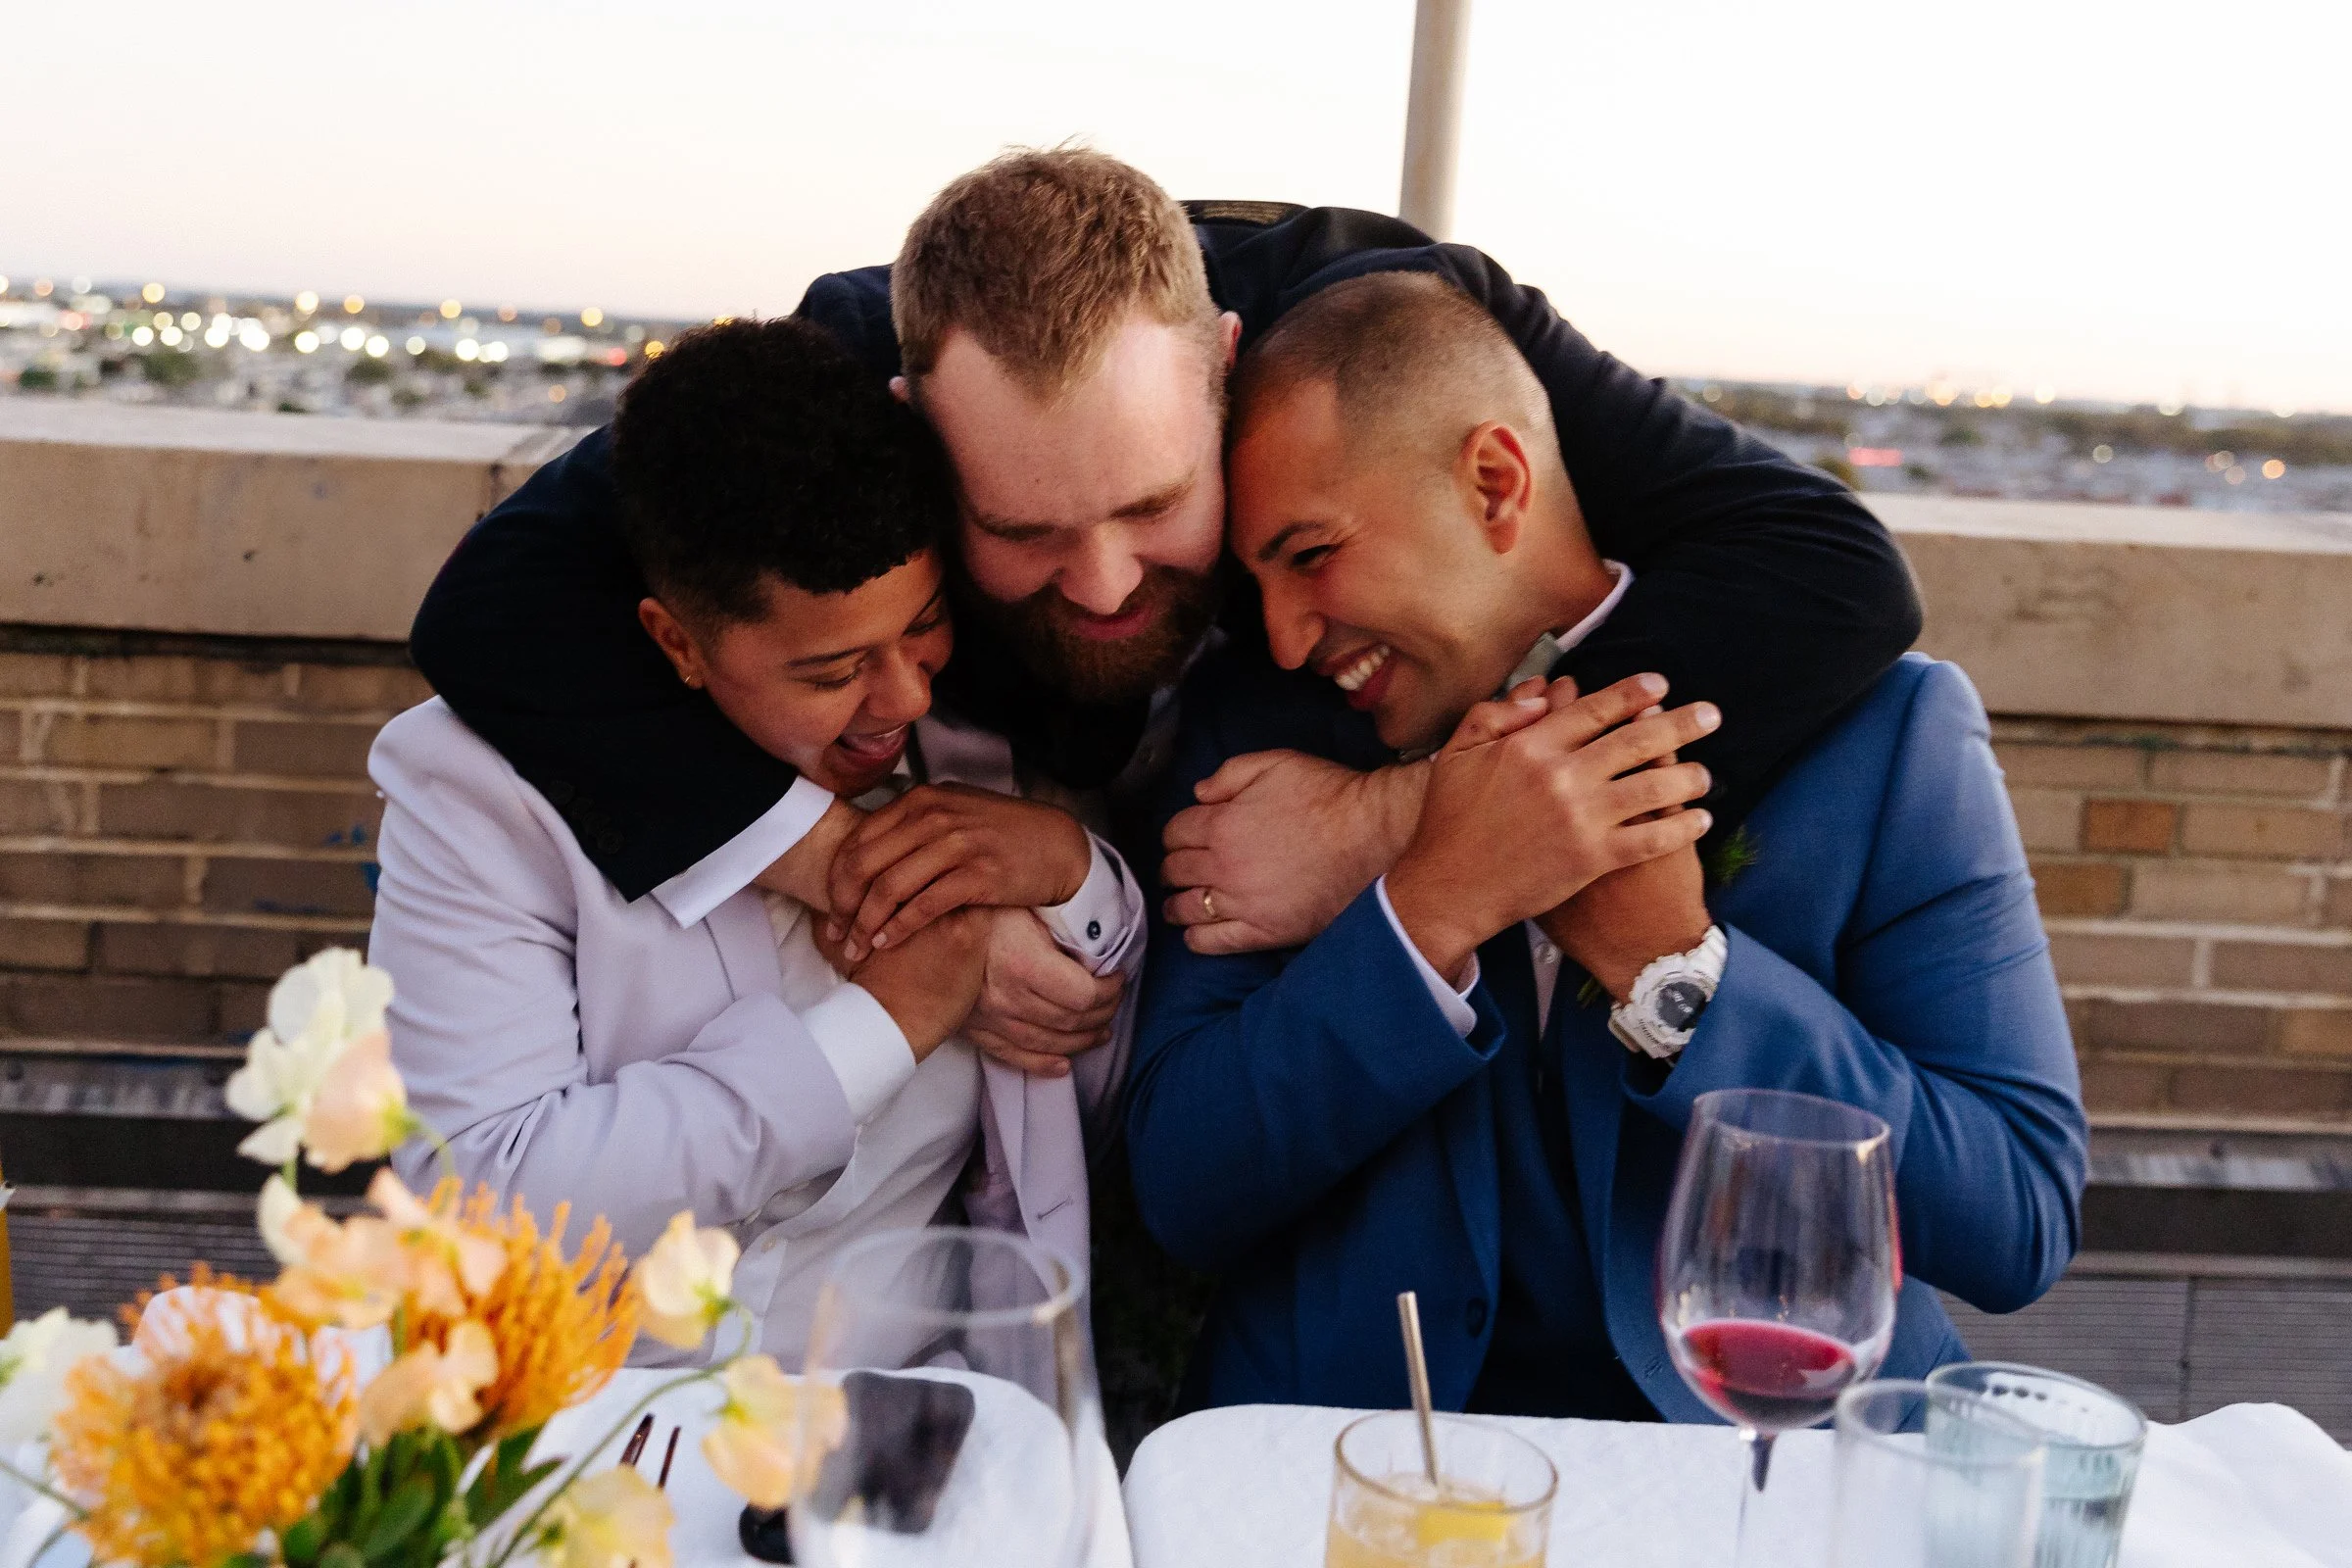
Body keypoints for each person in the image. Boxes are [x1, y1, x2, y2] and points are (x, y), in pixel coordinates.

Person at [404, 149, 1926, 1048]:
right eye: (1021, 529)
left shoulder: (1389, 319)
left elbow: (1828, 572)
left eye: (1151, 505)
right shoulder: (840, 364)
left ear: (1227, 365)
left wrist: (1393, 823)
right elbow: (494, 604)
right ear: (908, 415)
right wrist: (866, 875)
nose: (1106, 579)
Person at [1123, 271, 2087, 1419]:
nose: (1281, 637)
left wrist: (1674, 971)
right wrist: (1425, 908)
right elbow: (1181, 1185)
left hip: (1758, 1459)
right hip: (1360, 1459)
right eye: (1256, 583)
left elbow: (2018, 1214)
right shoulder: (1263, 744)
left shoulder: (1884, 735)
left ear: (1494, 483)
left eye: (1314, 554)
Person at [367, 318, 1144, 1362]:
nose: (904, 695)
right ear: (675, 643)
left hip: (921, 1432)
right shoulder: (480, 788)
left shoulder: (980, 740)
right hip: (587, 1441)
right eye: (832, 673)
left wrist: (1078, 872)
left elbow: (1099, 1090)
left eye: (924, 624)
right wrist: (880, 1025)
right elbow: (477, 1205)